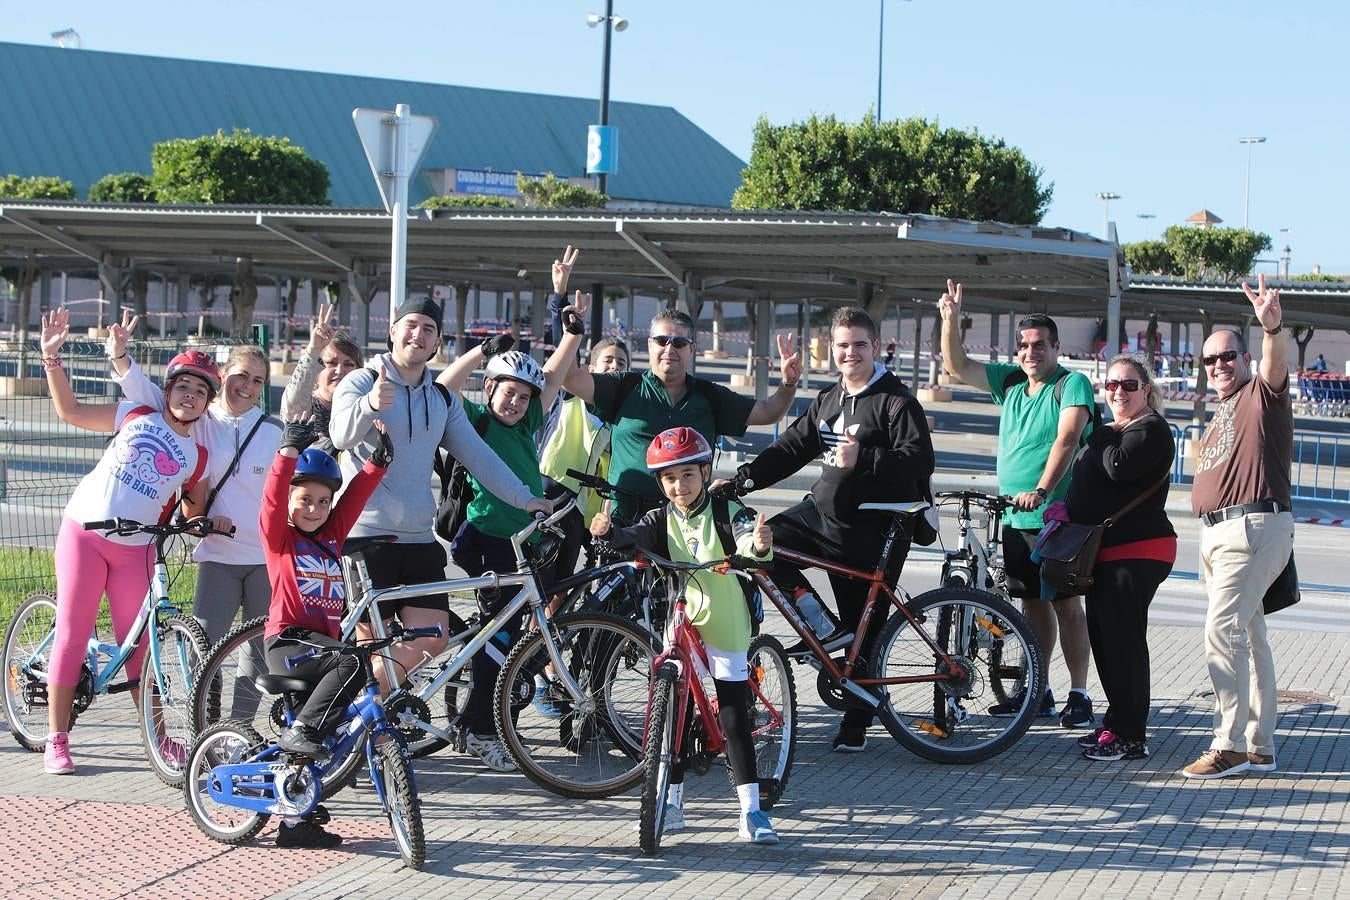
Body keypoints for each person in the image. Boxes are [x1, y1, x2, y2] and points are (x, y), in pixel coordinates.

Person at [731, 306, 935, 752]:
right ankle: (823, 629)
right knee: (758, 547)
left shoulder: (897, 402)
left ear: (875, 347)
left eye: (859, 345)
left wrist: (864, 458)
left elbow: (920, 462)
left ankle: (856, 723)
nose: (850, 353)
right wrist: (742, 480)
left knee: (866, 634)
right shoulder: (829, 398)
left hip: (873, 532)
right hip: (819, 516)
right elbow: (790, 449)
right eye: (842, 345)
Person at [329, 297, 550, 701]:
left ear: (437, 344)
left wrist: (524, 498)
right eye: (410, 325)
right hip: (365, 536)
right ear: (393, 331)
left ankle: (354, 706)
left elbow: (481, 457)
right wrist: (370, 405)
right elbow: (342, 435)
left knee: (432, 639)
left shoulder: (441, 400)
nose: (418, 334)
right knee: (368, 644)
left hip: (418, 539)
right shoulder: (362, 380)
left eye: (428, 329)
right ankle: (357, 726)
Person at [36, 308, 217, 775]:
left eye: (200, 391)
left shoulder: (197, 457)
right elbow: (70, 412)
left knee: (139, 649)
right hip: (85, 534)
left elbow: (194, 509)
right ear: (168, 390)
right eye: (183, 386)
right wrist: (52, 359)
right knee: (75, 633)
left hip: (135, 551)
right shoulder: (137, 413)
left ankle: (160, 739)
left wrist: (209, 523)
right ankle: (57, 739)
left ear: (206, 405)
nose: (190, 395)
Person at [589, 427, 779, 844]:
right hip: (682, 616)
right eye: (670, 479)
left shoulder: (726, 510)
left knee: (732, 715)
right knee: (674, 710)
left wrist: (759, 544)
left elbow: (750, 538)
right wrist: (608, 533)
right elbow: (633, 537)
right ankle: (671, 802)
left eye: (688, 475)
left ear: (705, 471)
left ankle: (752, 811)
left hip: (725, 616)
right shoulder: (662, 518)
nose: (680, 486)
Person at [434, 292, 587, 770]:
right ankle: (478, 728)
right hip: (483, 539)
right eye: (507, 391)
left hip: (518, 544)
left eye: (523, 396)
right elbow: (442, 386)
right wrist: (480, 353)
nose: (517, 402)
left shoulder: (526, 426)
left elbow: (555, 377)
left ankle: (477, 720)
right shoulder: (476, 421)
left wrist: (570, 335)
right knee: (499, 638)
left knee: (503, 634)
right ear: (490, 388)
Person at [939, 280, 1096, 728]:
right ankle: (1039, 688)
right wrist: (951, 320)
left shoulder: (1071, 384)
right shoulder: (1009, 381)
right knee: (1032, 606)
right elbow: (957, 364)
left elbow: (1067, 439)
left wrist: (1043, 490)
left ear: (1056, 347)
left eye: (1039, 345)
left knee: (1067, 604)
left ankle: (1079, 693)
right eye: (1024, 345)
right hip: (1013, 515)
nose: (1031, 352)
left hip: (1057, 515)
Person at [109, 318, 282, 660]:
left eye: (257, 380)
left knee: (257, 657)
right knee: (202, 651)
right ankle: (205, 713)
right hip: (218, 555)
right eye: (241, 375)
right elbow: (149, 394)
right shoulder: (200, 417)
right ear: (224, 374)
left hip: (264, 558)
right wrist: (120, 357)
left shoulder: (274, 430)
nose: (247, 386)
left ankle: (241, 719)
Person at [261, 416, 393, 848]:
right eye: (304, 500)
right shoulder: (281, 537)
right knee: (352, 663)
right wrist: (287, 454)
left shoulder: (331, 537)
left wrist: (377, 464)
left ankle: (295, 822)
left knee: (322, 727)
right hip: (288, 641)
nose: (313, 509)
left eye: (322, 501)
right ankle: (302, 737)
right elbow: (272, 501)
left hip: (320, 649)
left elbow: (354, 499)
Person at [1182, 274, 1294, 780]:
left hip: (1249, 528)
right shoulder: (1222, 409)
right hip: (1221, 534)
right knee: (1250, 636)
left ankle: (1227, 745)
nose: (1220, 365)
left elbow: (1275, 368)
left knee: (1221, 631)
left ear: (1245, 360)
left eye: (1228, 356)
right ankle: (1260, 745)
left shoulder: (1261, 396)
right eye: (1210, 360)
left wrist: (1272, 330)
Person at [561, 307, 803, 525]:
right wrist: (572, 333)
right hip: (626, 522)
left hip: (690, 524)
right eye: (662, 340)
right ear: (649, 345)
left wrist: (788, 383)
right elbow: (570, 378)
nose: (669, 349)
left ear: (692, 349)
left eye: (678, 343)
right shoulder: (623, 386)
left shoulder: (709, 396)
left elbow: (769, 412)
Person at [1058, 356, 1176, 763]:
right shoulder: (1116, 429)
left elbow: (1117, 466)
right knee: (1106, 642)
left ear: (1146, 389)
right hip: (1106, 552)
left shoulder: (1152, 428)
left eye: (1128, 385)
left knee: (1124, 643)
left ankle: (1132, 736)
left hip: (1139, 550)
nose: (1118, 393)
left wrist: (1100, 431)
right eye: (1110, 386)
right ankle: (1116, 723)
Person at [280, 301, 364, 454]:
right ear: (317, 370)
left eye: (348, 364)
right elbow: (293, 404)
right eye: (331, 363)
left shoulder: (363, 406)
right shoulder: (305, 405)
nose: (340, 370)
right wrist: (313, 350)